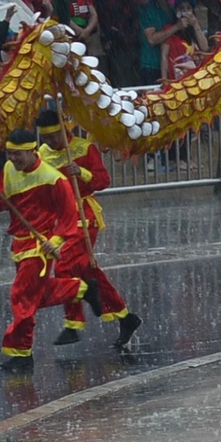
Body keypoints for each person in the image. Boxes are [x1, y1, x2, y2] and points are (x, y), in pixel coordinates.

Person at [37, 108, 140, 349]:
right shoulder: (42, 154)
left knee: (63, 265)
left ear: (64, 130)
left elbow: (103, 180)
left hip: (84, 216)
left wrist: (81, 172)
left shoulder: (84, 148)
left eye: (54, 136)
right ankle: (126, 317)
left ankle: (74, 324)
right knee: (88, 273)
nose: (51, 142)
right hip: (60, 218)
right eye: (46, 138)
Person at [0, 128, 92, 371]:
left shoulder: (53, 178)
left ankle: (22, 352)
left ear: (31, 151)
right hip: (19, 243)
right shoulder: (8, 170)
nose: (13, 159)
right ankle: (79, 288)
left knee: (21, 295)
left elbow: (69, 215)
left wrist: (55, 241)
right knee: (35, 294)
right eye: (9, 154)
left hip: (40, 245)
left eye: (17, 155)